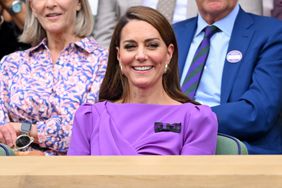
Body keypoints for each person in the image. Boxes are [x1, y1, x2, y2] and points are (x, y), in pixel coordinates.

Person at [68, 6, 218, 156]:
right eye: (130, 46)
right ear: (119, 55)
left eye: (152, 45)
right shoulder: (89, 118)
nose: (140, 55)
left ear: (169, 53)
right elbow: (74, 179)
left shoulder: (196, 119)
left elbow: (191, 179)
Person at [173, 0, 282, 154]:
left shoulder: (272, 33)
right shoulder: (173, 34)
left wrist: (188, 119)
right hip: (169, 145)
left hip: (238, 149)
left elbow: (258, 112)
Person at [0, 0, 108, 155]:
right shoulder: (11, 64)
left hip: (77, 173)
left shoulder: (103, 61)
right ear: (32, 7)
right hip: (14, 171)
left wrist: (24, 129)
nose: (50, 3)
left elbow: (90, 131)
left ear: (78, 3)